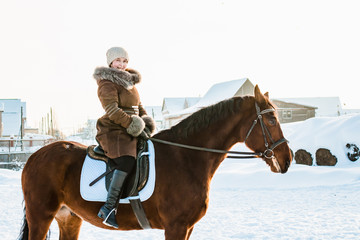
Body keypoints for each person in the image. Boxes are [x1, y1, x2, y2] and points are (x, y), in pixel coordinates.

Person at [93, 46, 155, 228]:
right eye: (118, 60)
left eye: (125, 61)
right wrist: (133, 125)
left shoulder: (130, 82)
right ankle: (109, 207)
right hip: (113, 129)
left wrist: (145, 121)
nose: (122, 64)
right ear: (110, 62)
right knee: (127, 159)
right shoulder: (106, 83)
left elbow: (139, 106)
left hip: (131, 126)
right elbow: (112, 110)